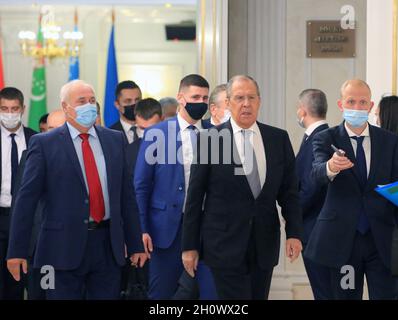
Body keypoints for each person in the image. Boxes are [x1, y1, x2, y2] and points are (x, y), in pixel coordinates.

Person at [6, 80, 146, 300]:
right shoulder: (44, 144)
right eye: (81, 101)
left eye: (92, 100)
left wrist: (136, 243)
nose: (88, 105)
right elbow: (26, 201)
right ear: (66, 107)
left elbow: (126, 196)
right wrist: (16, 251)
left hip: (107, 246)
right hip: (59, 249)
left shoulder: (114, 139)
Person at [181, 75, 303, 300]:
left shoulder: (278, 138)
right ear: (228, 102)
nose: (246, 103)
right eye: (239, 98)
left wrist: (294, 233)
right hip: (223, 245)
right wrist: (189, 246)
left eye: (251, 97)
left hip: (264, 246)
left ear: (259, 101)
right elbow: (195, 197)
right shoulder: (211, 139)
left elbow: (289, 193)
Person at [305, 79, 398, 300]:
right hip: (343, 241)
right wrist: (331, 167)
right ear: (340, 104)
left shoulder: (390, 141)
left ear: (371, 106)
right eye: (351, 101)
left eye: (362, 102)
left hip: (381, 240)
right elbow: (316, 173)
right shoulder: (325, 139)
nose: (357, 107)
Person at [134, 74, 216, 300]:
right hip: (166, 229)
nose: (200, 102)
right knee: (161, 294)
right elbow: (141, 186)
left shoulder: (216, 134)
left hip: (206, 229)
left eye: (205, 98)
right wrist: (142, 228)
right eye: (195, 97)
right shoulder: (156, 133)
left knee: (210, 294)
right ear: (181, 97)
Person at [121, 98, 162, 300]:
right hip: (138, 232)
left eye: (151, 129)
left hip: (167, 230)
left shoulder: (176, 148)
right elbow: (125, 197)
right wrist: (132, 237)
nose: (147, 135)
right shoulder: (128, 151)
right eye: (141, 129)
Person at [0, 87, 37, 300]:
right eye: (4, 108)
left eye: (14, 108)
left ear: (23, 109)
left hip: (25, 220)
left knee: (19, 280)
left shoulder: (36, 139)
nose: (10, 113)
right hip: (0, 213)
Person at [295, 89, 331, 300]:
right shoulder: (319, 136)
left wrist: (293, 214)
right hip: (315, 227)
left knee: (324, 290)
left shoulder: (319, 138)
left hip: (315, 228)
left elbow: (311, 186)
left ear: (303, 110)